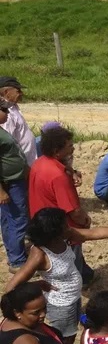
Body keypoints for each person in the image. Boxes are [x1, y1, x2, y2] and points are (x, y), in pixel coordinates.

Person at [5, 207, 108, 344]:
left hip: (74, 298)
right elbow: (11, 287)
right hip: (61, 306)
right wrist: (35, 285)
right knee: (65, 340)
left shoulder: (64, 237)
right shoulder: (40, 254)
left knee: (72, 333)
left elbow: (94, 233)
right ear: (53, 233)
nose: (69, 227)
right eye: (65, 226)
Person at [28, 122, 95, 285]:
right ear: (57, 151)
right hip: (62, 230)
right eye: (69, 146)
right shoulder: (58, 176)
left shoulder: (39, 163)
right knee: (72, 269)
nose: (72, 148)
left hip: (42, 222)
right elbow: (74, 211)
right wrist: (85, 221)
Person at [0, 97, 29, 272]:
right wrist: (1, 191)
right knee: (19, 218)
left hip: (13, 179)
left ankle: (14, 252)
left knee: (8, 219)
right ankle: (17, 260)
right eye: (4, 110)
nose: (8, 113)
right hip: (10, 182)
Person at [0, 76, 37, 165]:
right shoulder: (7, 114)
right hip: (22, 164)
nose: (22, 93)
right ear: (6, 92)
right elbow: (9, 144)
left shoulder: (12, 106)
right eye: (18, 91)